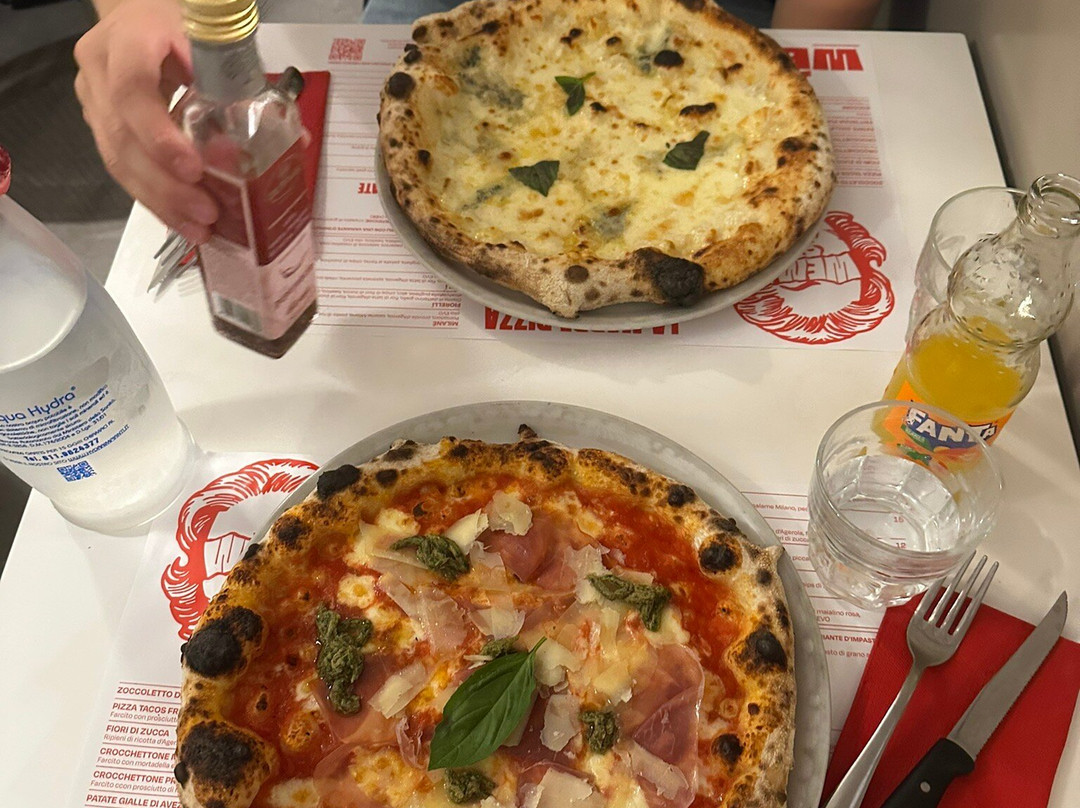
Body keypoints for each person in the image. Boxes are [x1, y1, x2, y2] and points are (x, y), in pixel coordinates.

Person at [74, 0, 881, 243]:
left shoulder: (760, 113)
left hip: (714, 43)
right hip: (424, 27)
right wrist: (142, 8)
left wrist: (772, 79)